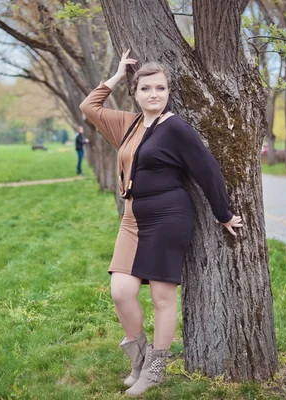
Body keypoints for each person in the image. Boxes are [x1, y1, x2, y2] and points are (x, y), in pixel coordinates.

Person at [79, 50, 242, 397]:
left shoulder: (177, 129)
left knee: (162, 297)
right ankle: (137, 361)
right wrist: (118, 75)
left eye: (161, 88)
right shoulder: (128, 124)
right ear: (135, 93)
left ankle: (155, 370)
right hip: (132, 218)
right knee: (121, 291)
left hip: (169, 217)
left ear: (168, 93)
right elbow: (89, 108)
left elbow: (208, 171)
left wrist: (223, 213)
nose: (154, 94)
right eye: (146, 88)